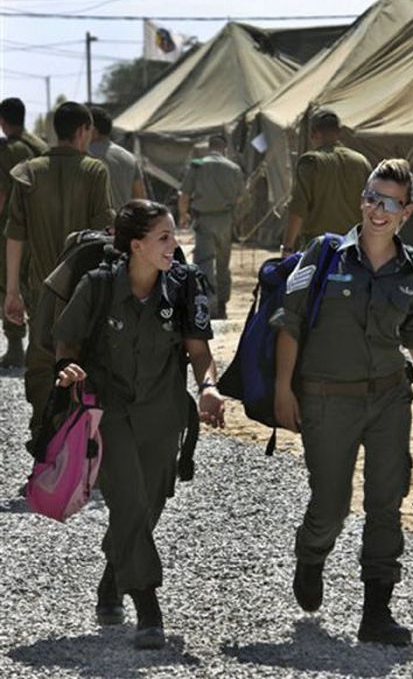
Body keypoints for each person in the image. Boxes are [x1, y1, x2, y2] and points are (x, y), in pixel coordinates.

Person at [274, 159, 413, 645]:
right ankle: (311, 554)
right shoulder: (324, 254)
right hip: (327, 400)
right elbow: (290, 323)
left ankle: (377, 612)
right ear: (362, 198)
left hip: (389, 399)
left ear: (406, 211)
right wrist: (282, 390)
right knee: (331, 506)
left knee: (386, 503)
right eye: (373, 197)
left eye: (390, 202)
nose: (378, 209)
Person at [53, 199, 225, 650]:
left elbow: (199, 350)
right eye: (164, 238)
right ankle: (149, 607)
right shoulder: (98, 286)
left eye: (174, 236)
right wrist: (68, 370)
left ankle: (112, 578)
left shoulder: (183, 287)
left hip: (164, 414)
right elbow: (66, 342)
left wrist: (207, 386)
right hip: (111, 413)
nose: (175, 245)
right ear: (136, 245)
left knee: (149, 505)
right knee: (128, 501)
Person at [4, 101, 113, 444]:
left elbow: (15, 236)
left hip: (41, 289)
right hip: (84, 289)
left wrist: (11, 291)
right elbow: (104, 235)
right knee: (85, 359)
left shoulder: (28, 171)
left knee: (40, 365)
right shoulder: (95, 171)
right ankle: (81, 439)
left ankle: (44, 433)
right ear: (83, 131)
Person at [281, 109, 372, 257]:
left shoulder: (311, 162)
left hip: (319, 247)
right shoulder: (361, 161)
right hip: (352, 247)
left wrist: (287, 248)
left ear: (314, 134)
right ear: (339, 132)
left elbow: (298, 207)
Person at [0, 97, 47, 367]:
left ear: (3, 121)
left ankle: (16, 346)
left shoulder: (8, 150)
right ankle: (42, 347)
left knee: (11, 282)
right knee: (40, 282)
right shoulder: (39, 145)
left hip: (13, 228)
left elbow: (2, 196)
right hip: (42, 225)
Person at [178, 135, 244, 319]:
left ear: (209, 147)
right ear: (224, 148)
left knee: (205, 261)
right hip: (226, 220)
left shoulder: (198, 166)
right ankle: (222, 303)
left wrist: (183, 215)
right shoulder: (234, 168)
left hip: (205, 219)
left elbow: (184, 194)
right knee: (223, 263)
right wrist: (235, 218)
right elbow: (241, 198)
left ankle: (209, 305)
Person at [88, 106, 146, 210]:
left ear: (93, 131)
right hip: (123, 223)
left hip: (93, 224)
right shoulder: (129, 158)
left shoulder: (83, 156)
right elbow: (141, 200)